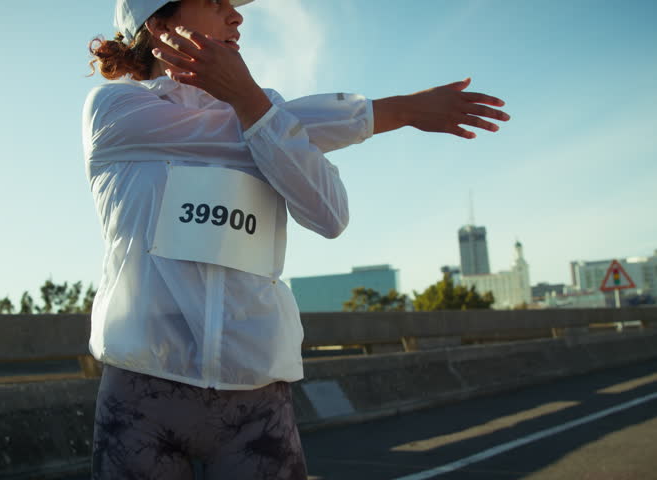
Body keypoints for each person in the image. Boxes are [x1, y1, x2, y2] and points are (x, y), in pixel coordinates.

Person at [82, 1, 510, 478]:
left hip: (255, 392)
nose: (236, 16)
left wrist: (256, 107)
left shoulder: (264, 110)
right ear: (158, 22)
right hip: (142, 390)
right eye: (214, 2)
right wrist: (395, 111)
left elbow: (331, 215)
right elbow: (223, 135)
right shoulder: (115, 109)